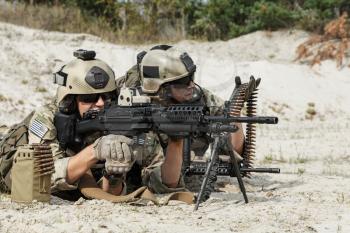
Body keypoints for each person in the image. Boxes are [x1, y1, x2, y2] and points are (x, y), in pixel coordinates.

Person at [1, 49, 186, 199]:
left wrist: (176, 141)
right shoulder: (47, 118)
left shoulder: (128, 119)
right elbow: (41, 177)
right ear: (70, 101)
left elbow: (164, 184)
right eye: (89, 98)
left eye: (107, 97)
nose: (99, 103)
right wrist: (95, 151)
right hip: (14, 164)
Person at [116, 45, 258, 191]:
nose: (191, 85)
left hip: (175, 169)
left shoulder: (197, 98)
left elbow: (233, 153)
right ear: (160, 87)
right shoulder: (127, 103)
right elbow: (162, 183)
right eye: (183, 82)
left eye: (191, 77)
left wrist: (234, 113)